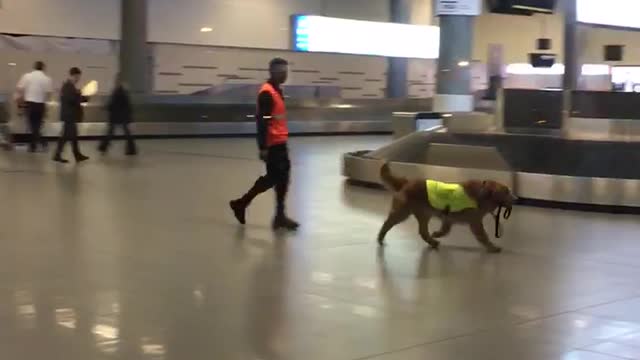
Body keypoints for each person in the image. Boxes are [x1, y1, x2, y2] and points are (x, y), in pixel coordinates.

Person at [229, 58, 299, 230]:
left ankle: (279, 215)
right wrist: (263, 147)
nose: (285, 74)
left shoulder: (277, 91)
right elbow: (263, 120)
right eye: (282, 71)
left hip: (280, 142)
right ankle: (241, 203)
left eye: (286, 70)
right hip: (273, 144)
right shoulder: (267, 93)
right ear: (273, 72)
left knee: (283, 179)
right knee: (273, 178)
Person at [53, 67, 89, 163]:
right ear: (73, 75)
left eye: (79, 77)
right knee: (69, 136)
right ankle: (71, 155)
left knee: (69, 136)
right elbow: (71, 100)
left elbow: (74, 98)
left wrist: (82, 96)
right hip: (69, 115)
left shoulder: (70, 86)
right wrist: (81, 97)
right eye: (77, 77)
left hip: (69, 115)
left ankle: (74, 155)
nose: (78, 79)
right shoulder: (68, 86)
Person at [16, 61, 53, 152]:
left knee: (32, 126)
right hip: (41, 105)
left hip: (30, 104)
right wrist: (47, 107)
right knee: (37, 126)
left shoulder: (27, 76)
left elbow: (20, 89)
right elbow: (48, 94)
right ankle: (33, 146)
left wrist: (20, 104)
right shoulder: (47, 79)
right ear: (43, 68)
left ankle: (42, 143)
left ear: (34, 67)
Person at [98, 74, 137, 155]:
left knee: (111, 132)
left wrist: (104, 107)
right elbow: (127, 104)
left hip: (118, 116)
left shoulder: (118, 91)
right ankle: (131, 149)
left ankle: (103, 147)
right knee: (125, 133)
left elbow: (113, 104)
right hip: (122, 116)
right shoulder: (123, 91)